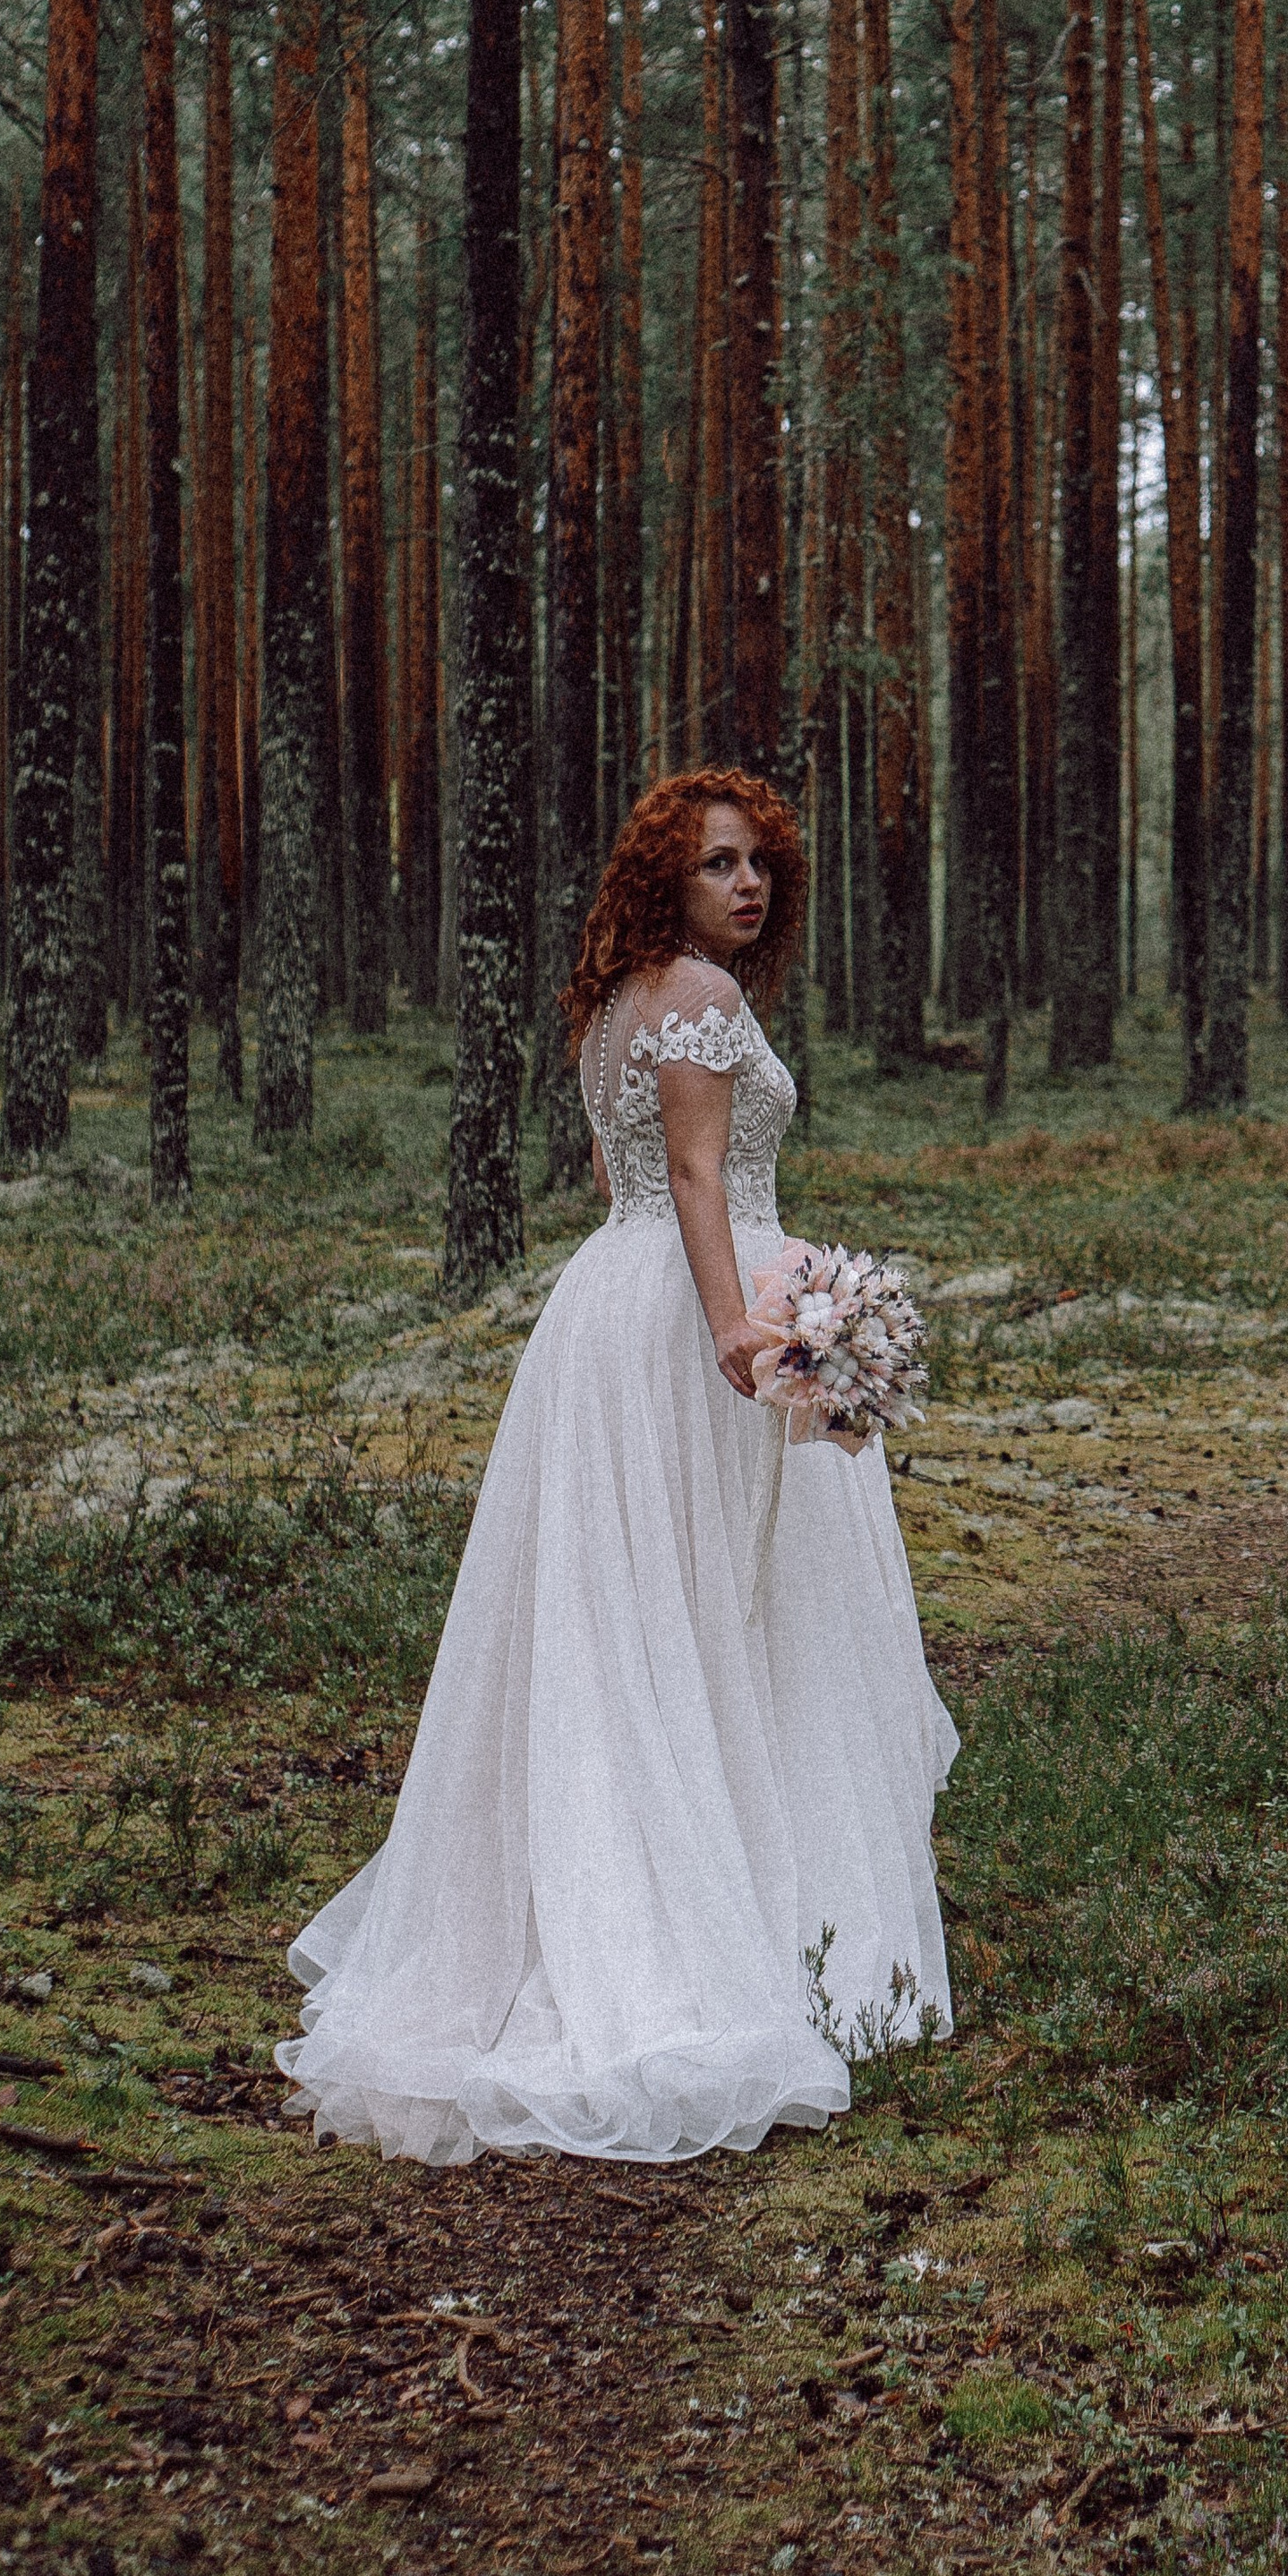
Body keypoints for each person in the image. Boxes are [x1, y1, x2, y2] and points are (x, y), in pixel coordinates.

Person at [277, 766, 958, 2164]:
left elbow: (622, 1183)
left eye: (760, 860)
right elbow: (702, 1178)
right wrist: (742, 1325)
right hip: (694, 1316)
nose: (749, 883)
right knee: (721, 1613)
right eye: (718, 863)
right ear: (667, 878)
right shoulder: (702, 1002)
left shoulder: (614, 1007)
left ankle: (667, 1889)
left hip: (609, 1309)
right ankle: (731, 1930)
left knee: (639, 1616)